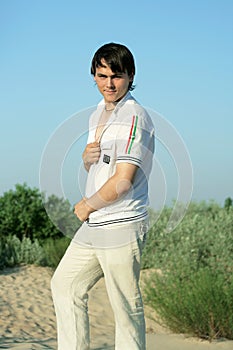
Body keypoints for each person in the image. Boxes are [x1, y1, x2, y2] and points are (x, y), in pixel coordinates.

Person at [51, 42, 155, 350]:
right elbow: (101, 167)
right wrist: (86, 157)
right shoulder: (98, 113)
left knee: (125, 306)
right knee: (65, 284)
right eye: (101, 75)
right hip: (96, 222)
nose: (109, 84)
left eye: (117, 76)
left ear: (130, 75)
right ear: (93, 76)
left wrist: (86, 205)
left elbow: (123, 181)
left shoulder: (135, 116)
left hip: (122, 222)